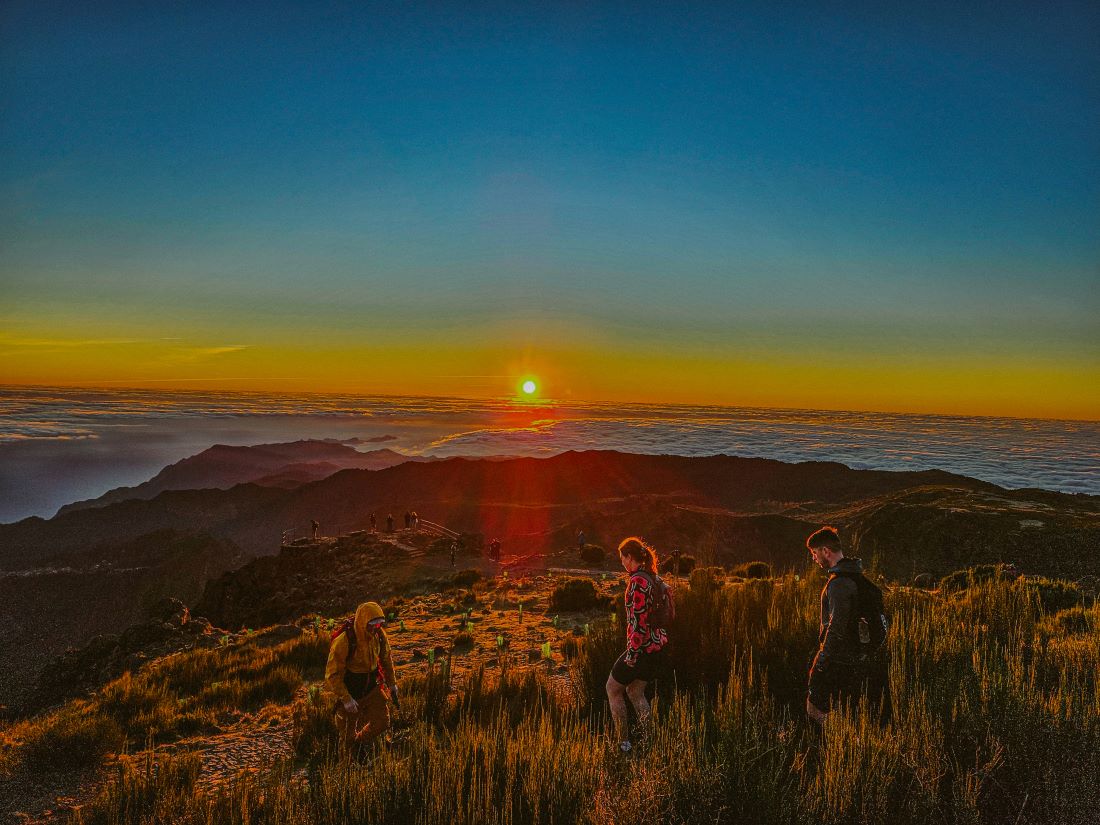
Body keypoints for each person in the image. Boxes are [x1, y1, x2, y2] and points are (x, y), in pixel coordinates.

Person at [805, 526, 889, 723]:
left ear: (826, 551)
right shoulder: (858, 579)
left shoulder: (839, 584)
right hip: (858, 659)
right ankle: (843, 743)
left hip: (838, 660)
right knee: (848, 713)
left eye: (815, 553)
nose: (814, 559)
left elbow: (836, 628)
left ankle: (826, 747)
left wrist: (821, 662)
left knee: (815, 709)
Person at [606, 536, 668, 754]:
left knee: (613, 689)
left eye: (621, 557)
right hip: (656, 647)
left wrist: (632, 655)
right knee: (635, 692)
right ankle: (651, 741)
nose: (621, 562)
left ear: (629, 557)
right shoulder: (653, 577)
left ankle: (623, 744)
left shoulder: (638, 582)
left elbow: (638, 623)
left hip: (641, 648)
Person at [325, 601, 400, 751]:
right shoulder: (345, 641)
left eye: (379, 624)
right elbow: (332, 675)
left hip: (372, 687)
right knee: (347, 735)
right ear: (362, 622)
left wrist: (392, 683)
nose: (375, 628)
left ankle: (360, 743)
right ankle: (346, 766)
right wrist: (346, 699)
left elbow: (386, 658)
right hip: (351, 690)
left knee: (382, 721)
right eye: (372, 624)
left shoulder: (379, 635)